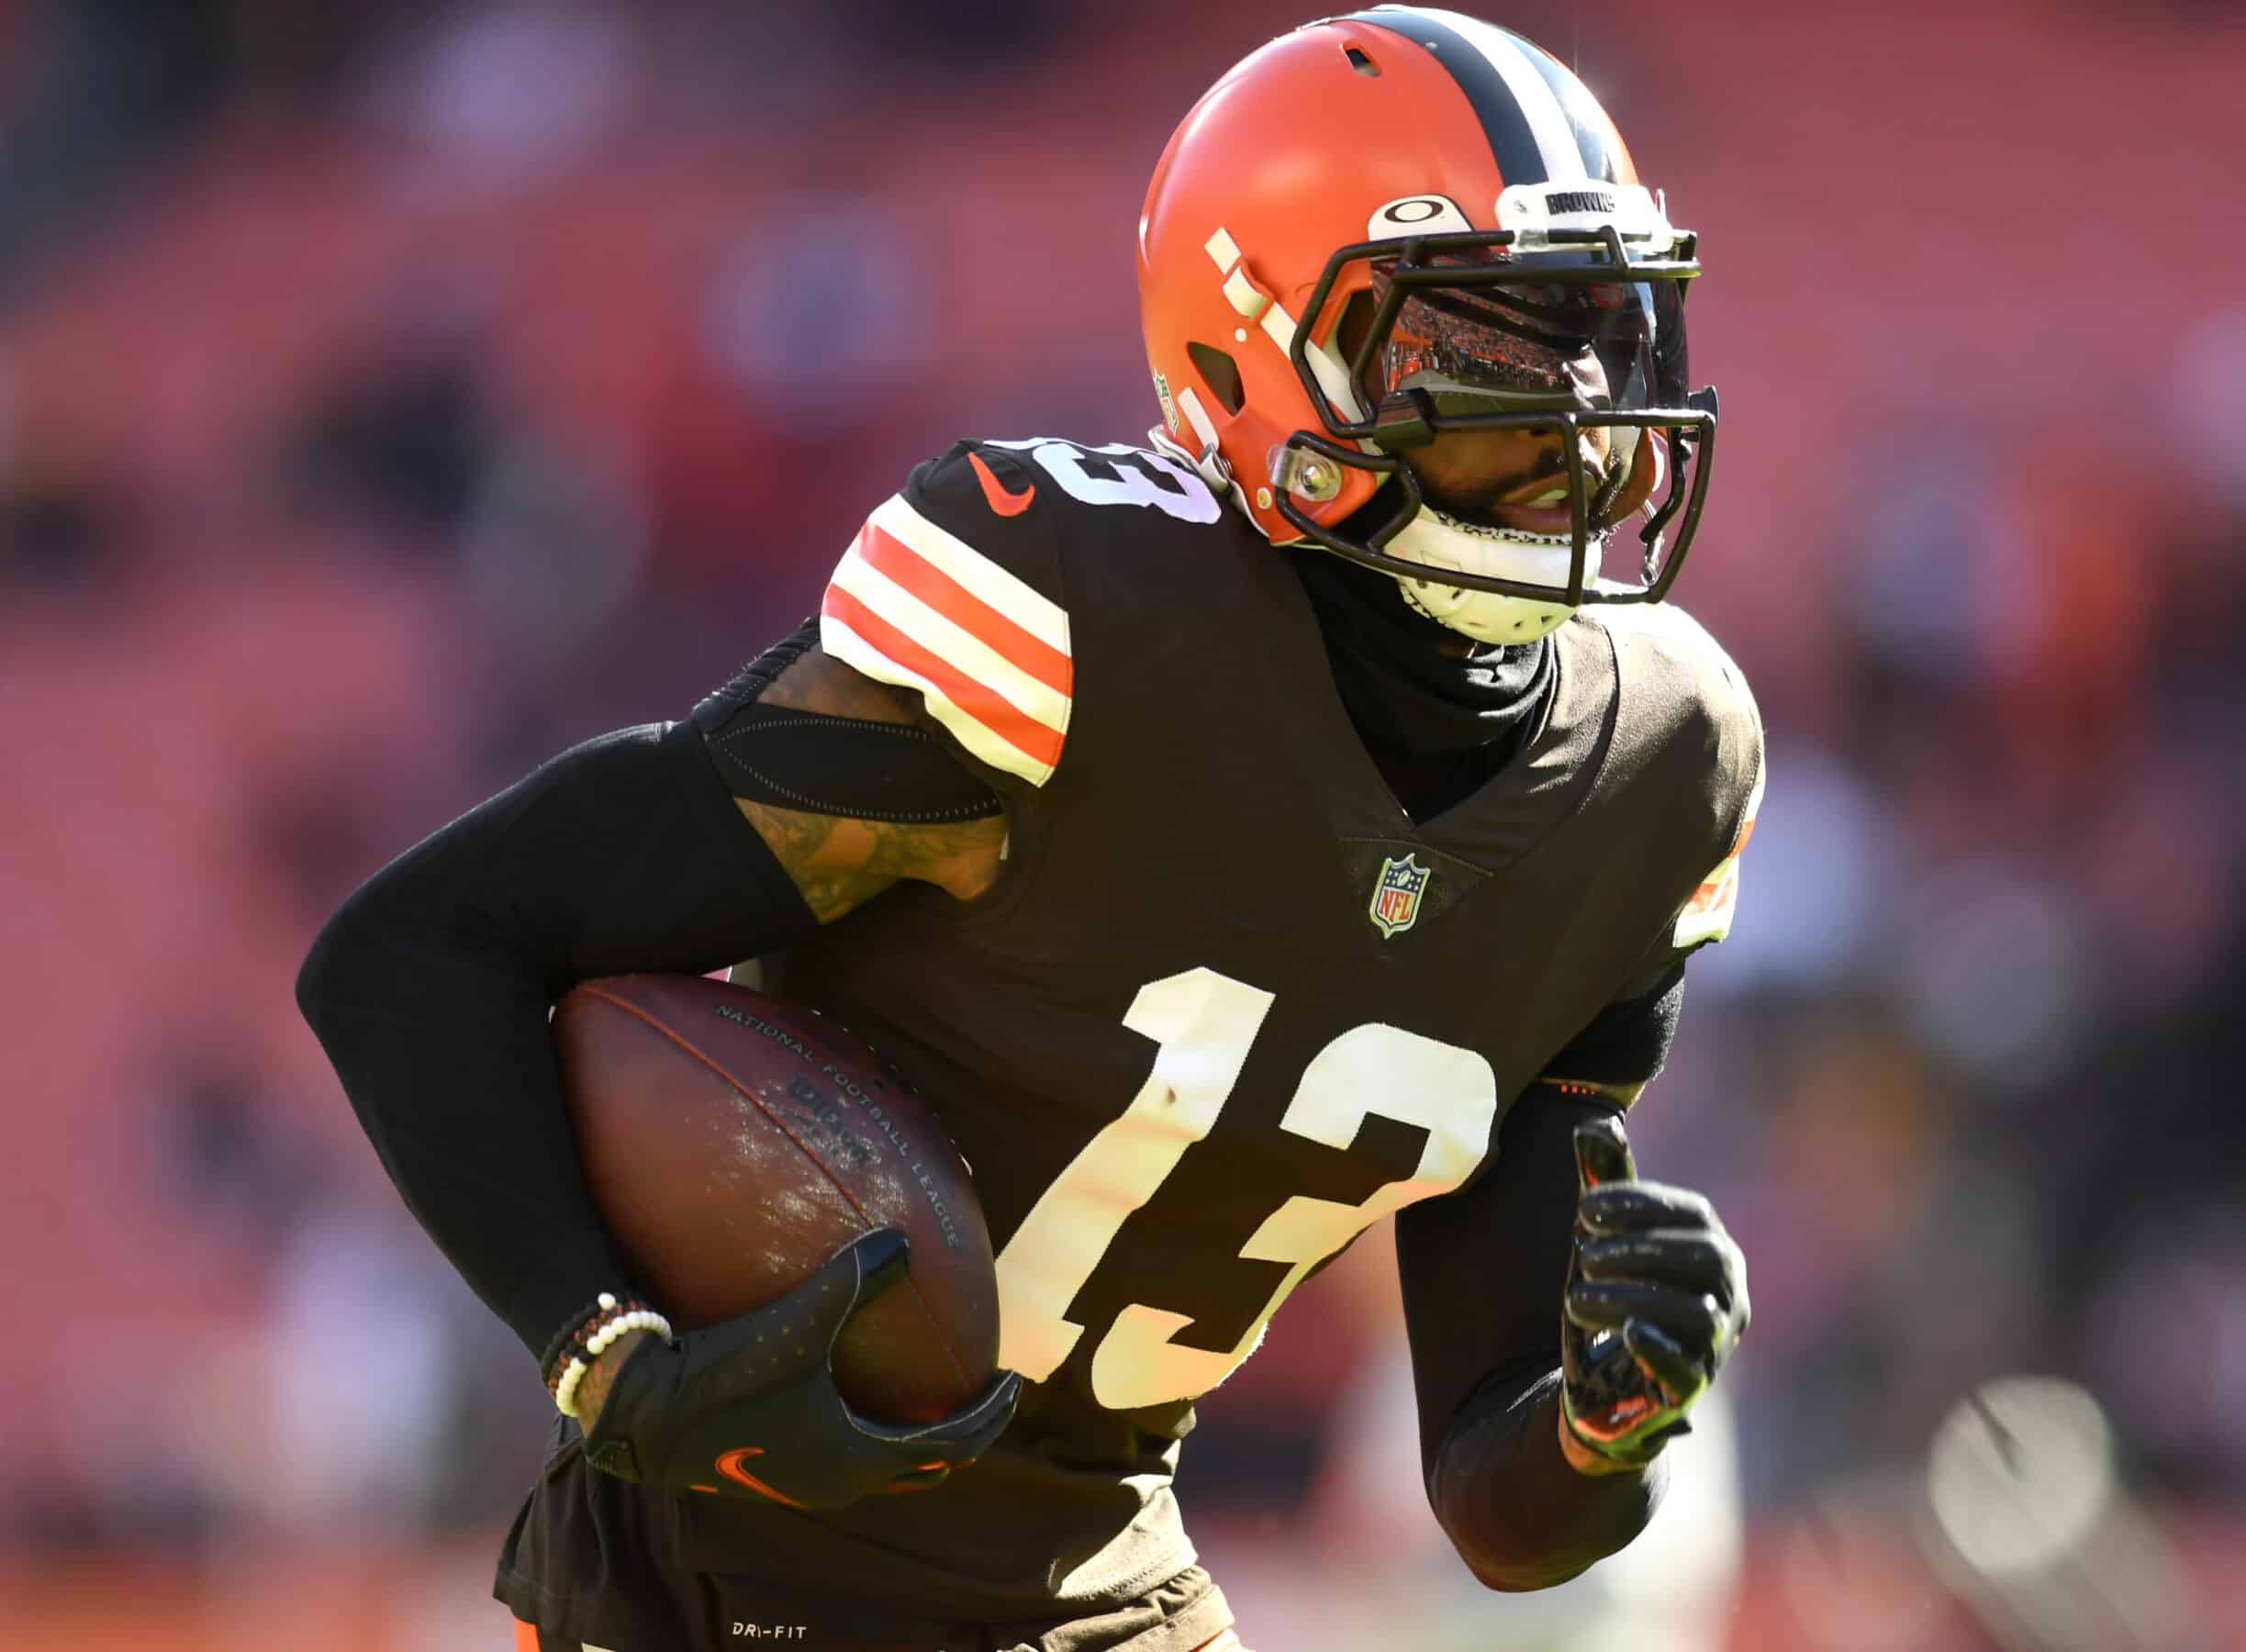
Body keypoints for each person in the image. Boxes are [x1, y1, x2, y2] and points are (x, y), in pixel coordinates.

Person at [297, 8, 1761, 1649]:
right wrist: (611, 1355)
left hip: (1094, 1582)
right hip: (721, 1588)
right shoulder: (1086, 623)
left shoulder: (1659, 765)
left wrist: (1601, 1426)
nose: (1580, 409)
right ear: (1260, 357)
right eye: (1490, 343)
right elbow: (416, 953)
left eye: (1604, 333)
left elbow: (1504, 1516)